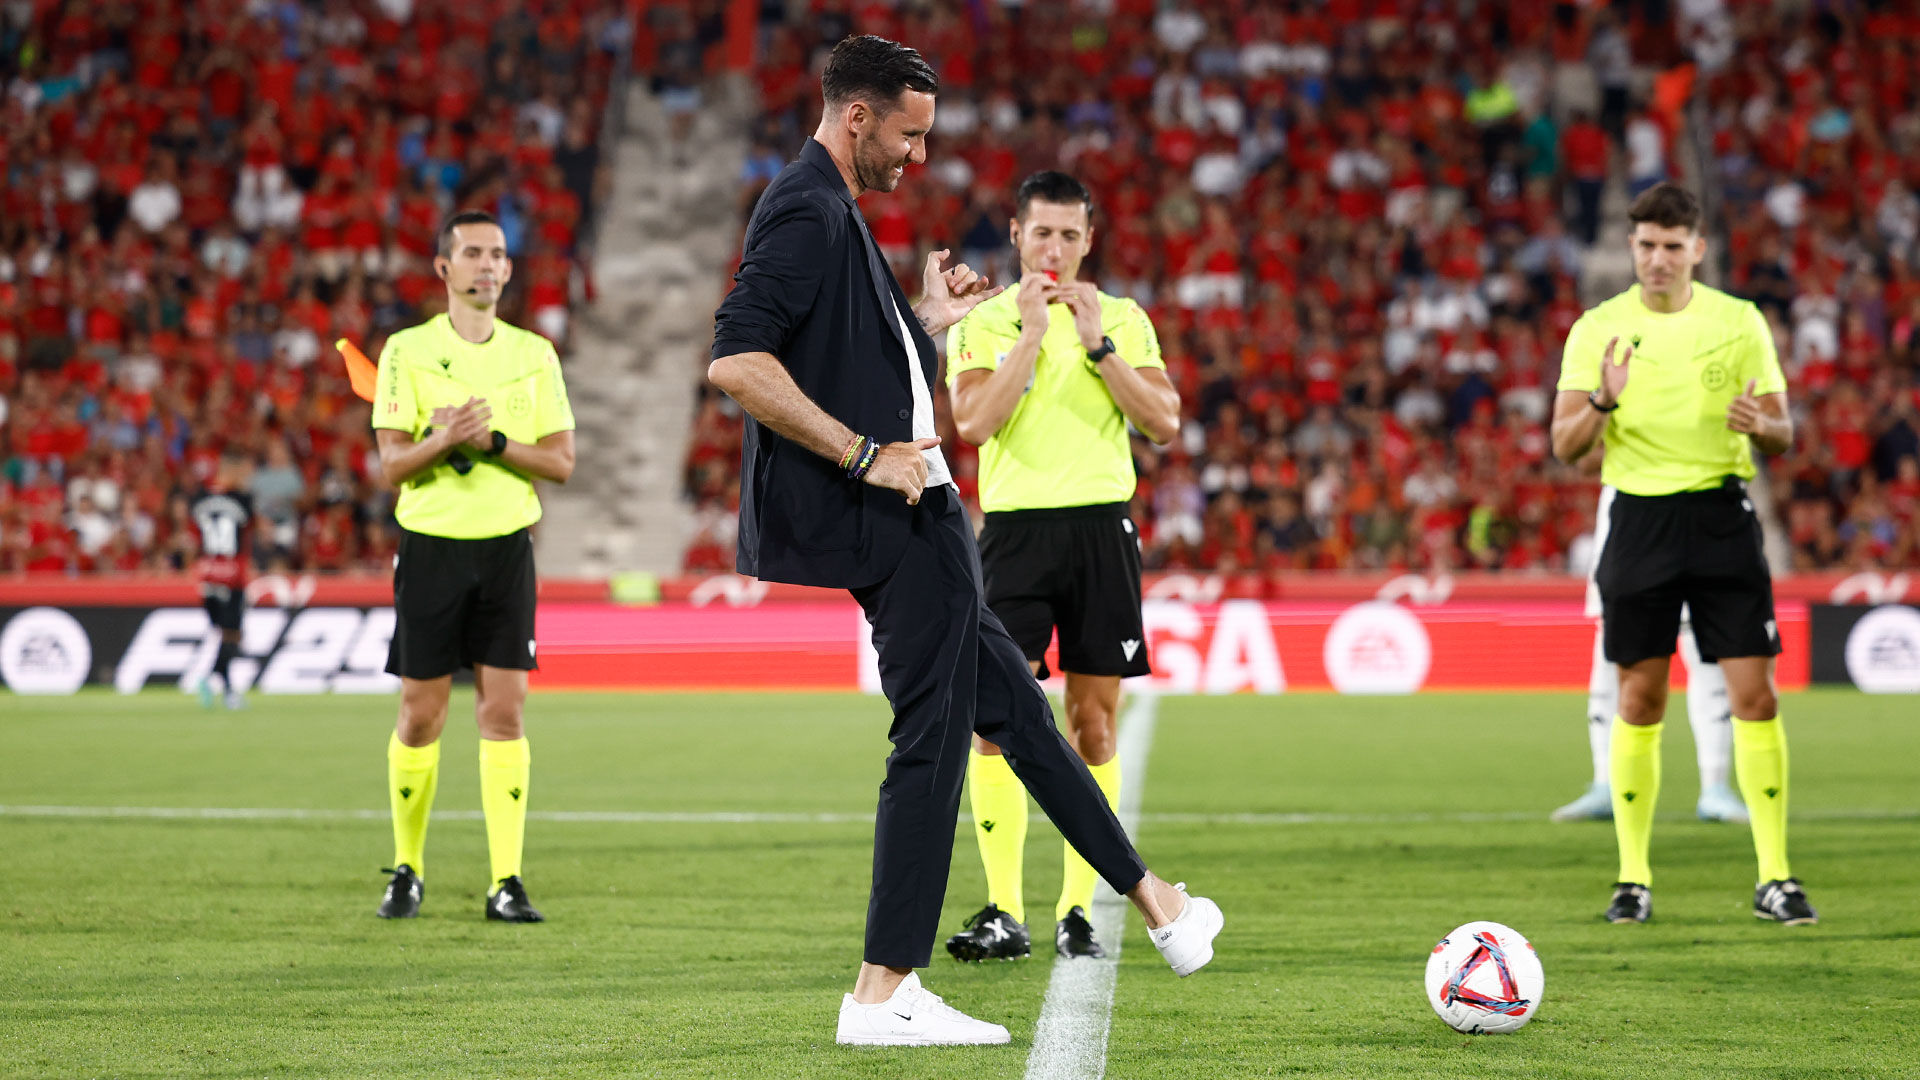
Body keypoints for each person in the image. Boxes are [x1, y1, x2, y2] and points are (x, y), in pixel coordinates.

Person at [706, 35, 1223, 1048]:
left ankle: (1159, 904)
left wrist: (922, 323)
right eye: (909, 133)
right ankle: (883, 990)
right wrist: (864, 455)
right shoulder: (807, 207)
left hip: (920, 514)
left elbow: (842, 344)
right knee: (934, 742)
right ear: (858, 117)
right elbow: (737, 359)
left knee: (1021, 720)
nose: (918, 155)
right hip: (899, 515)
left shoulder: (825, 205)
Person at [1550, 182, 1815, 926]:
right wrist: (1603, 401)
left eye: (1672, 246)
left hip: (1721, 516)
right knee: (1640, 698)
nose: (1658, 259)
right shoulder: (1598, 328)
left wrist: (1763, 425)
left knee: (1754, 696)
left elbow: (1784, 432)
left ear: (1698, 248)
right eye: (1645, 246)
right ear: (1632, 248)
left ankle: (1776, 876)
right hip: (1638, 520)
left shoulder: (1740, 323)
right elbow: (1566, 448)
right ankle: (1633, 879)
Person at [941, 170, 1181, 964]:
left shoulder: (1123, 319)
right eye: (1040, 233)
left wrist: (1095, 345)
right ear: (1015, 235)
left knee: (1093, 725)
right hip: (1014, 534)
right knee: (993, 724)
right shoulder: (983, 322)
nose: (1054, 248)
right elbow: (974, 422)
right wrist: (1035, 336)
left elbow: (1164, 422)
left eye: (1069, 235)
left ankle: (1077, 908)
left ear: (1088, 241)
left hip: (1101, 533)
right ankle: (1004, 908)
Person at [370, 210, 576, 924]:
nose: (487, 265)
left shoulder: (534, 354)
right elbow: (392, 464)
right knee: (421, 716)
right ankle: (407, 868)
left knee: (504, 710)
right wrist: (441, 439)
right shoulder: (406, 351)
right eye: (473, 254)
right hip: (431, 547)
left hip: (505, 550)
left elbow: (560, 462)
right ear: (444, 269)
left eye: (497, 254)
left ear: (508, 270)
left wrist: (488, 441)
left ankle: (506, 882)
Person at [1552, 483, 1749, 825]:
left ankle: (1715, 786)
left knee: (1704, 651)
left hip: (1699, 516)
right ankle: (1606, 782)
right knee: (1611, 653)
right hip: (1628, 521)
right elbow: (1581, 458)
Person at [190, 450, 254, 710]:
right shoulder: (242, 499)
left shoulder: (200, 498)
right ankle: (211, 679)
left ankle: (227, 691)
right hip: (232, 573)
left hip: (207, 573)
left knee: (227, 634)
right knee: (233, 634)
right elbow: (249, 528)